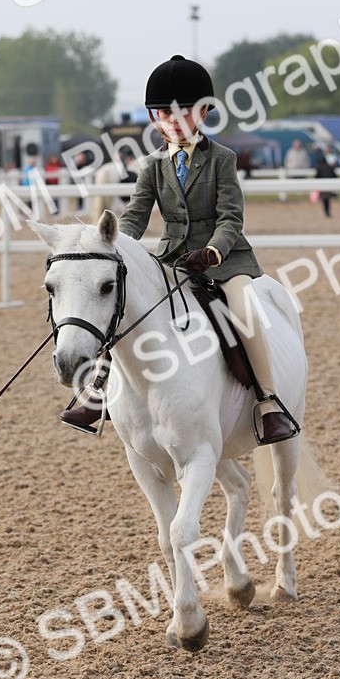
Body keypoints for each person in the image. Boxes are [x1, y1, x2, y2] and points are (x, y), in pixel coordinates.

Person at [60, 54, 298, 445]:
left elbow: (231, 218)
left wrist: (212, 252)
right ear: (154, 118)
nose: (173, 121)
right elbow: (136, 214)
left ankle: (268, 402)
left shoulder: (222, 158)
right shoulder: (153, 164)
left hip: (224, 260)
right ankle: (97, 390)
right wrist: (113, 245)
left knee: (243, 309)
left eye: (183, 112)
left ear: (204, 111)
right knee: (121, 306)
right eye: (163, 114)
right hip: (173, 259)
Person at [314, 152, 337, 218]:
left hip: (322, 187)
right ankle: (327, 212)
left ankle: (326, 212)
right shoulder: (330, 167)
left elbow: (316, 177)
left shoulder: (319, 168)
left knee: (325, 200)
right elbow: (335, 176)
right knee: (328, 199)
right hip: (329, 186)